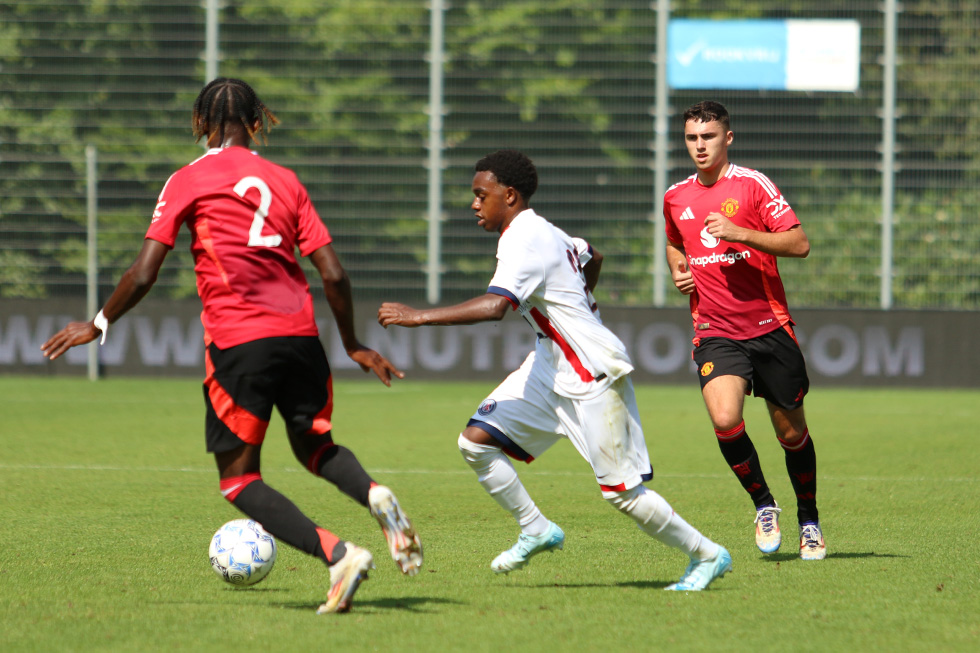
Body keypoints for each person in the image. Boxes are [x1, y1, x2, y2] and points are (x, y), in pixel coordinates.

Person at [41, 77, 423, 613]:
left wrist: (100, 321)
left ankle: (339, 555)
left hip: (239, 340)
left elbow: (146, 270)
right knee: (315, 447)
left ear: (200, 124)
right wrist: (354, 342)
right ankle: (374, 493)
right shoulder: (286, 180)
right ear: (258, 121)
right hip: (301, 337)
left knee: (239, 479)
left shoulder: (188, 179)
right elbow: (333, 274)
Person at [379, 149, 731, 591]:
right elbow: (593, 255)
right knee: (475, 443)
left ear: (508, 195)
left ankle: (708, 554)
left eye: (480, 194)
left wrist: (417, 317)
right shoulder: (540, 228)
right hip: (550, 364)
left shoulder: (523, 239)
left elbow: (495, 308)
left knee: (623, 495)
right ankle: (536, 528)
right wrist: (579, 299)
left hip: (590, 372)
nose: (474, 203)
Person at [662, 100, 825, 560]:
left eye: (708, 137)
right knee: (724, 418)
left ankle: (809, 520)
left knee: (791, 434)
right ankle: (763, 505)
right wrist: (679, 269)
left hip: (769, 327)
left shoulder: (752, 186)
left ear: (727, 138)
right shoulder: (676, 196)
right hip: (715, 329)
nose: (699, 146)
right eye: (692, 138)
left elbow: (799, 243)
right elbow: (675, 243)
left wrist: (741, 233)